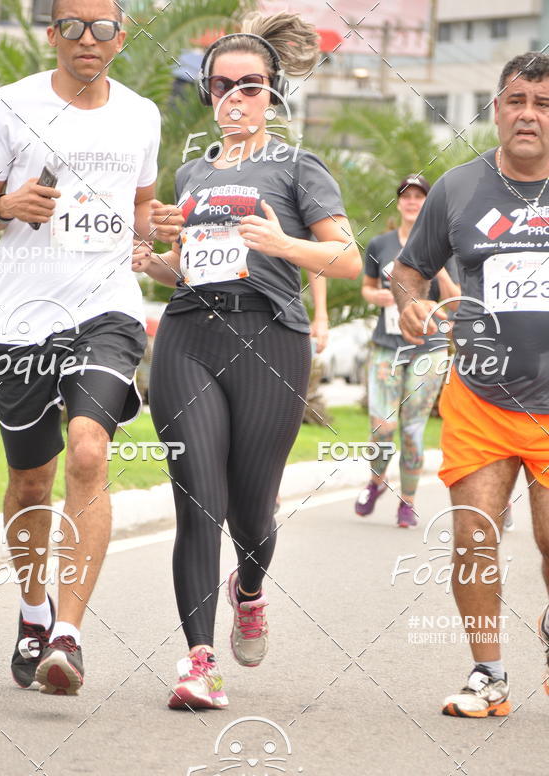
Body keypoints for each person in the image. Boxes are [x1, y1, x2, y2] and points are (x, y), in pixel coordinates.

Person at [134, 11, 361, 709]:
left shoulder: (300, 167)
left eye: (251, 85)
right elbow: (193, 268)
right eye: (222, 86)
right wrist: (156, 258)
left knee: (253, 514)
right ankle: (199, 659)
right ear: (207, 95)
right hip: (188, 337)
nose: (235, 97)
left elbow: (348, 257)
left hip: (271, 342)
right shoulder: (192, 171)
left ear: (273, 92)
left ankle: (251, 587)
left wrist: (283, 244)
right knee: (198, 499)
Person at [0, 0, 172, 695]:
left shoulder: (142, 113)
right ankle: (32, 611)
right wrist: (5, 206)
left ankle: (69, 636)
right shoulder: (11, 104)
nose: (90, 39)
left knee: (88, 448)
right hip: (21, 319)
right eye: (74, 27)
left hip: (105, 310)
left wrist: (148, 243)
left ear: (120, 37)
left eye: (104, 27)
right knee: (31, 480)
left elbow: (140, 209)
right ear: (53, 34)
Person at [392, 51, 549, 717]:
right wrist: (409, 301)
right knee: (473, 537)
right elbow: (409, 269)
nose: (529, 115)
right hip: (481, 395)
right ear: (495, 109)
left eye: (543, 104)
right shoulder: (458, 188)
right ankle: (489, 673)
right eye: (517, 101)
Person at [356, 175, 460, 527]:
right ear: (398, 202)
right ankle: (376, 481)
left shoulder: (446, 243)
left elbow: (457, 301)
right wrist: (383, 296)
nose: (412, 202)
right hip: (386, 346)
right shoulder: (381, 244)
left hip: (427, 348)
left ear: (428, 202)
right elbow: (367, 289)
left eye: (419, 196)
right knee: (382, 426)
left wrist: (440, 267)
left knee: (413, 430)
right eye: (406, 196)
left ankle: (408, 501)